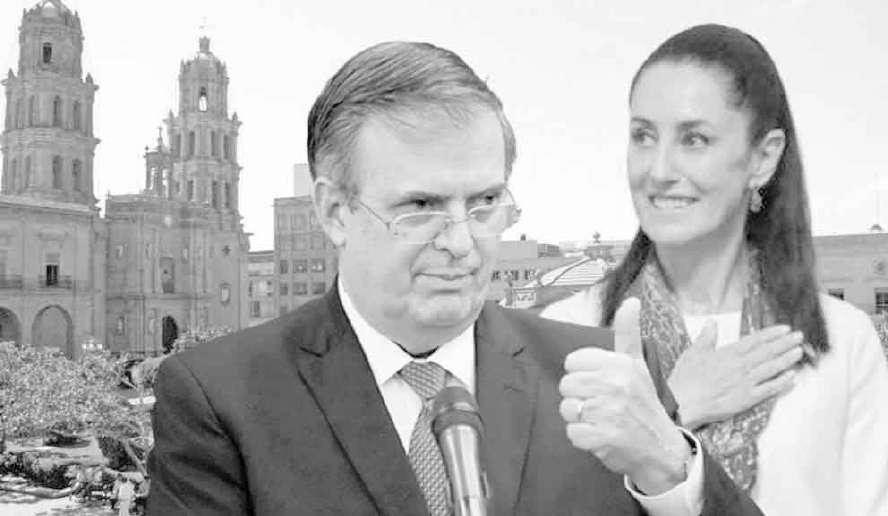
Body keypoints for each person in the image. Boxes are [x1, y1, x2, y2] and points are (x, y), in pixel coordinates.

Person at [146, 41, 762, 515]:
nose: (462, 243)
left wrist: (671, 471)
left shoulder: (606, 378)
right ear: (334, 211)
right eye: (421, 206)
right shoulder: (221, 398)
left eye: (486, 202)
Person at [542, 23, 888, 516]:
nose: (658, 170)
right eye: (643, 136)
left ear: (763, 158)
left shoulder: (840, 341)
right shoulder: (567, 331)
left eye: (695, 139)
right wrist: (676, 407)